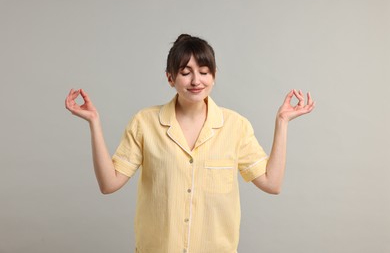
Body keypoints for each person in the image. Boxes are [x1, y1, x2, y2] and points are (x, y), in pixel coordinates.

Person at [65, 34, 315, 253]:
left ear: (214, 76)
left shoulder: (236, 126)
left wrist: (282, 122)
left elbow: (272, 183)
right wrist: (94, 122)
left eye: (204, 72)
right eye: (186, 72)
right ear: (170, 78)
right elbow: (109, 184)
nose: (196, 80)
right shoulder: (144, 123)